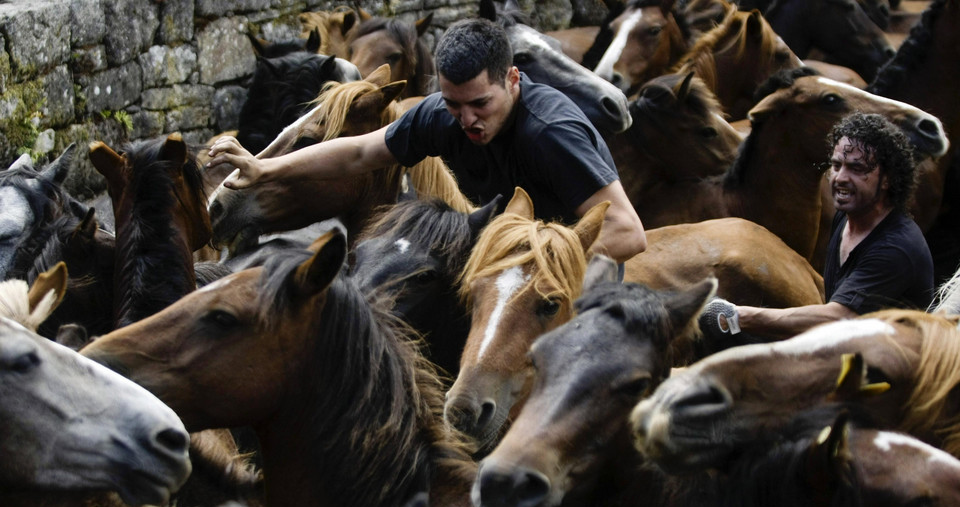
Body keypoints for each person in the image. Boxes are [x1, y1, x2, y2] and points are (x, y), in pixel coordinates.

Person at [206, 17, 646, 263]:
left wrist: (520, 256)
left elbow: (628, 232)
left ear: (512, 79)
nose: (466, 119)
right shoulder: (444, 115)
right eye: (454, 104)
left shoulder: (552, 133)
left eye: (479, 104)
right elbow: (360, 151)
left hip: (576, 270)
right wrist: (266, 168)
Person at [702, 112, 934, 341]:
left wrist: (737, 316)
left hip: (884, 370)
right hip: (845, 348)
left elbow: (839, 317)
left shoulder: (895, 248)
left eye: (857, 169)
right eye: (836, 165)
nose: (840, 178)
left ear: (887, 179)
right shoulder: (846, 219)